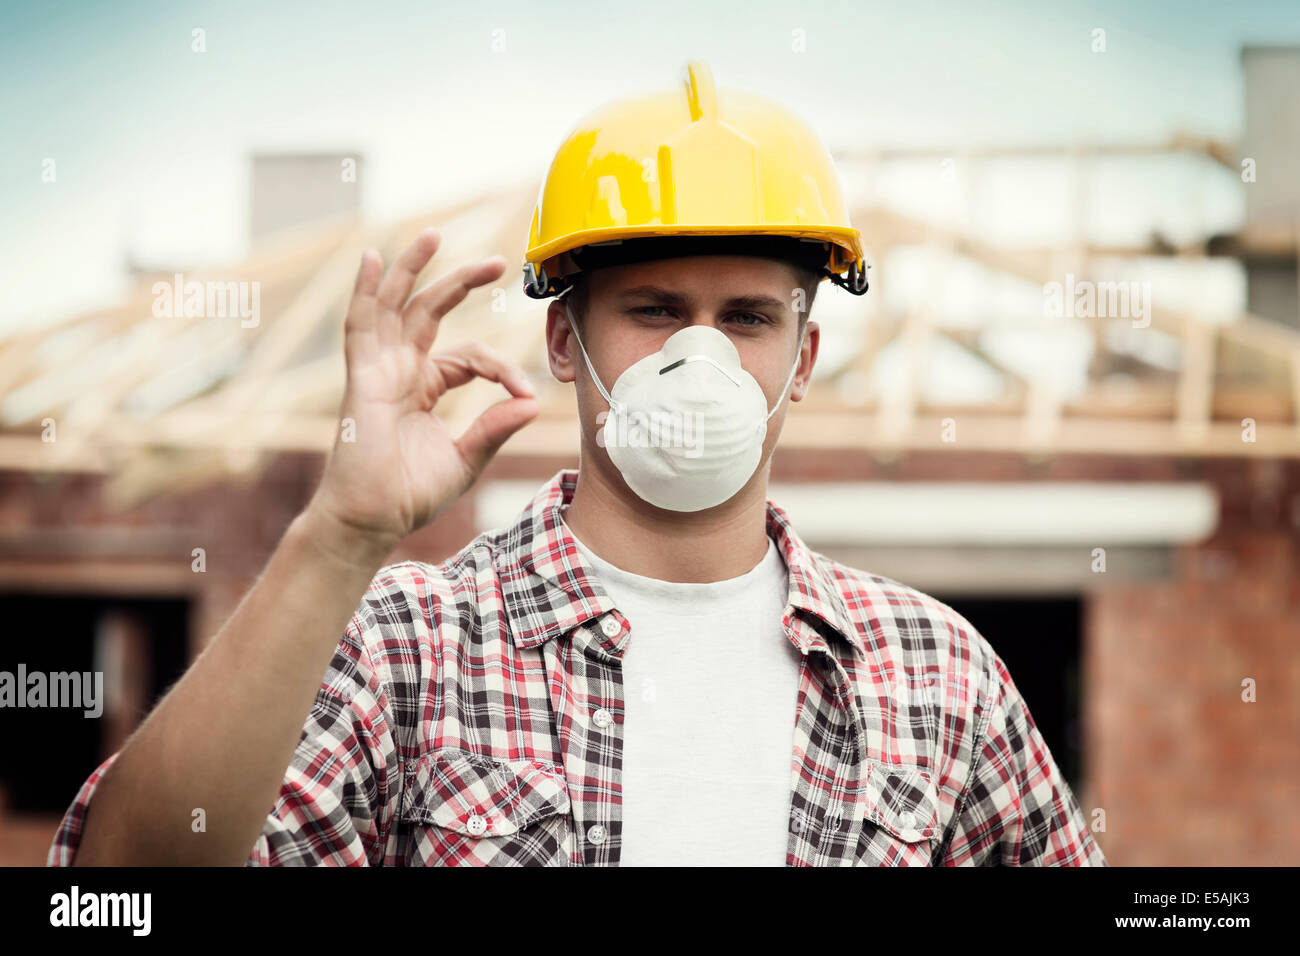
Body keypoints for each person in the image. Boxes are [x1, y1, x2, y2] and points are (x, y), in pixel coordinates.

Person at [49, 62, 1105, 866]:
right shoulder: (407, 650)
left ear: (804, 357)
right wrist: (339, 536)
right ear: (565, 343)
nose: (703, 356)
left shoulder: (935, 677)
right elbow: (117, 885)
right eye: (654, 311)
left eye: (746, 317)